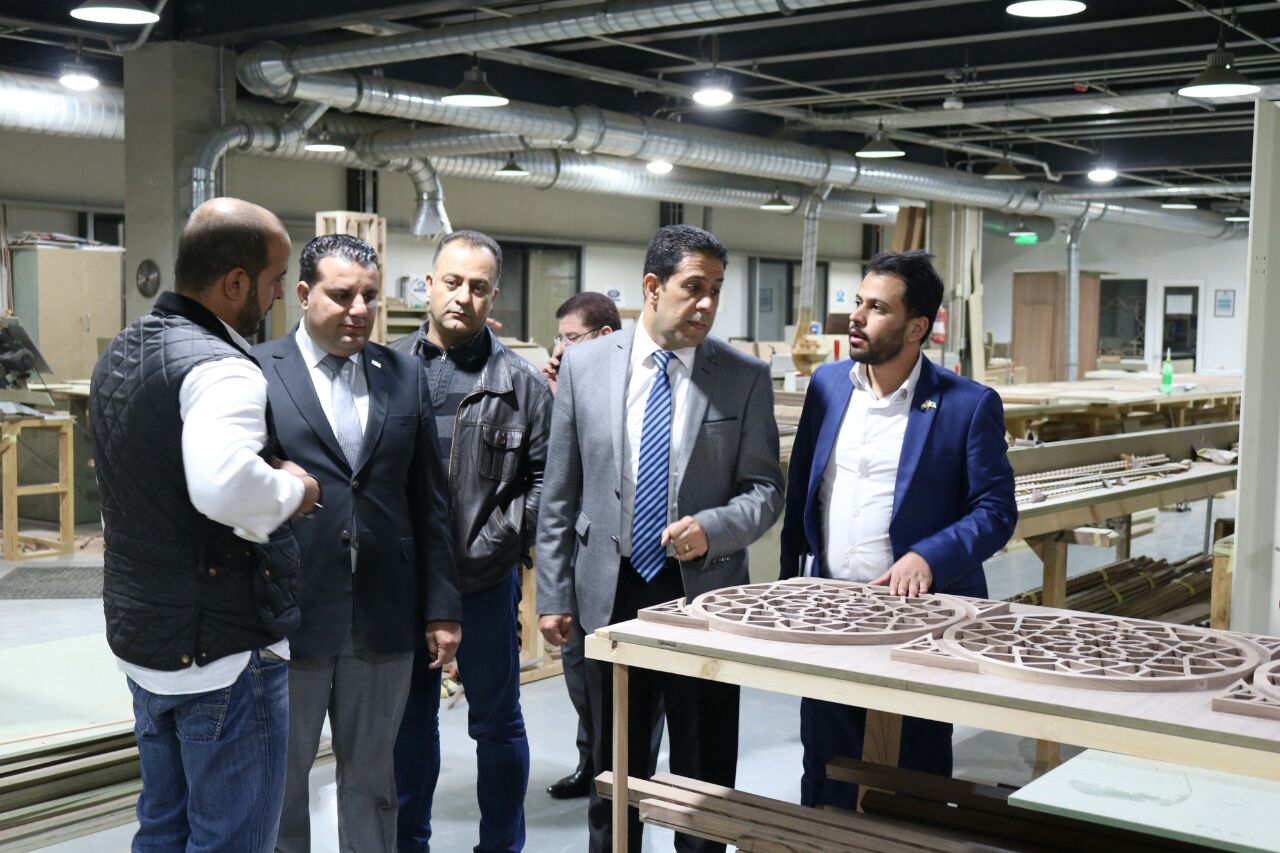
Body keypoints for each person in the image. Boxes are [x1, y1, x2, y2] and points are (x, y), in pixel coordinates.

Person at [537, 224, 785, 853]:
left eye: (716, 290)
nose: (707, 303)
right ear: (653, 287)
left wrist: (714, 528)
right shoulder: (587, 365)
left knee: (704, 766)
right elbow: (561, 491)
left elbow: (765, 490)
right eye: (693, 288)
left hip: (703, 596)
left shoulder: (743, 376)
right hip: (610, 590)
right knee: (615, 765)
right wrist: (554, 595)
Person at [89, 197, 321, 853]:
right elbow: (222, 485)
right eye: (276, 279)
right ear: (237, 282)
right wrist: (295, 489)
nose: (279, 295)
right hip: (221, 653)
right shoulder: (222, 368)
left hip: (147, 643)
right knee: (232, 841)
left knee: (163, 829)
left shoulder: (126, 349)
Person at [779, 249, 1018, 810]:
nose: (857, 317)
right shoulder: (828, 386)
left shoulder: (967, 405)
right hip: (830, 614)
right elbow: (802, 495)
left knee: (914, 774)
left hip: (921, 624)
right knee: (827, 767)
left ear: (917, 328)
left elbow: (996, 510)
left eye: (877, 308)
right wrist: (790, 587)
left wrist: (930, 556)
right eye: (859, 302)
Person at [253, 235, 462, 853]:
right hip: (289, 611)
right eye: (342, 295)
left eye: (370, 296)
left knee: (373, 780)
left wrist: (442, 606)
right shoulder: (258, 371)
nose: (360, 310)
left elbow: (429, 499)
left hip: (384, 611)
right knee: (281, 779)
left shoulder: (402, 373)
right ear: (302, 294)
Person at [392, 229, 552, 853]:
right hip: (403, 584)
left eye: (478, 287)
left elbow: (548, 483)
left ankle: (501, 846)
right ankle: (410, 843)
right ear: (429, 285)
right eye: (452, 282)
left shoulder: (521, 384)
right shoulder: (387, 370)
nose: (463, 296)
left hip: (482, 582)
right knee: (409, 726)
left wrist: (497, 536)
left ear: (494, 296)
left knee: (497, 724)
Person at [539, 292, 631, 801]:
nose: (560, 350)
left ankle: (615, 774)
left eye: (571, 339)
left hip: (613, 557)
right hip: (576, 549)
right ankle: (591, 760)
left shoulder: (627, 388)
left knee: (615, 678)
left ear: (603, 337)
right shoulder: (566, 382)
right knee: (578, 666)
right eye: (559, 339)